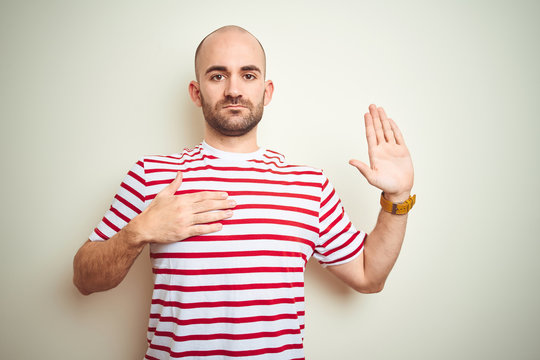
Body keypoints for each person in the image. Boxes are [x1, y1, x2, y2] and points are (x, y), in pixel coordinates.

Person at [73, 25, 415, 360]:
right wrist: (140, 231)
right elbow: (83, 278)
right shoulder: (152, 175)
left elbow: (370, 276)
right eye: (218, 76)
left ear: (267, 91)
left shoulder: (309, 186)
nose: (233, 89)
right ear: (196, 92)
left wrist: (398, 198)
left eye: (248, 75)